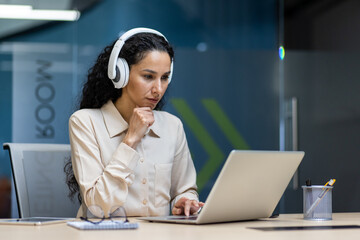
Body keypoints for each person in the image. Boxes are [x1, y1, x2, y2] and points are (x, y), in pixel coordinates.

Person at [66, 28, 204, 218]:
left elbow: (185, 189)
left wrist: (184, 201)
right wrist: (130, 140)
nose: (158, 89)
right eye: (148, 76)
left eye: (164, 78)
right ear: (119, 73)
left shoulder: (173, 126)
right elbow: (98, 208)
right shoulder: (85, 122)